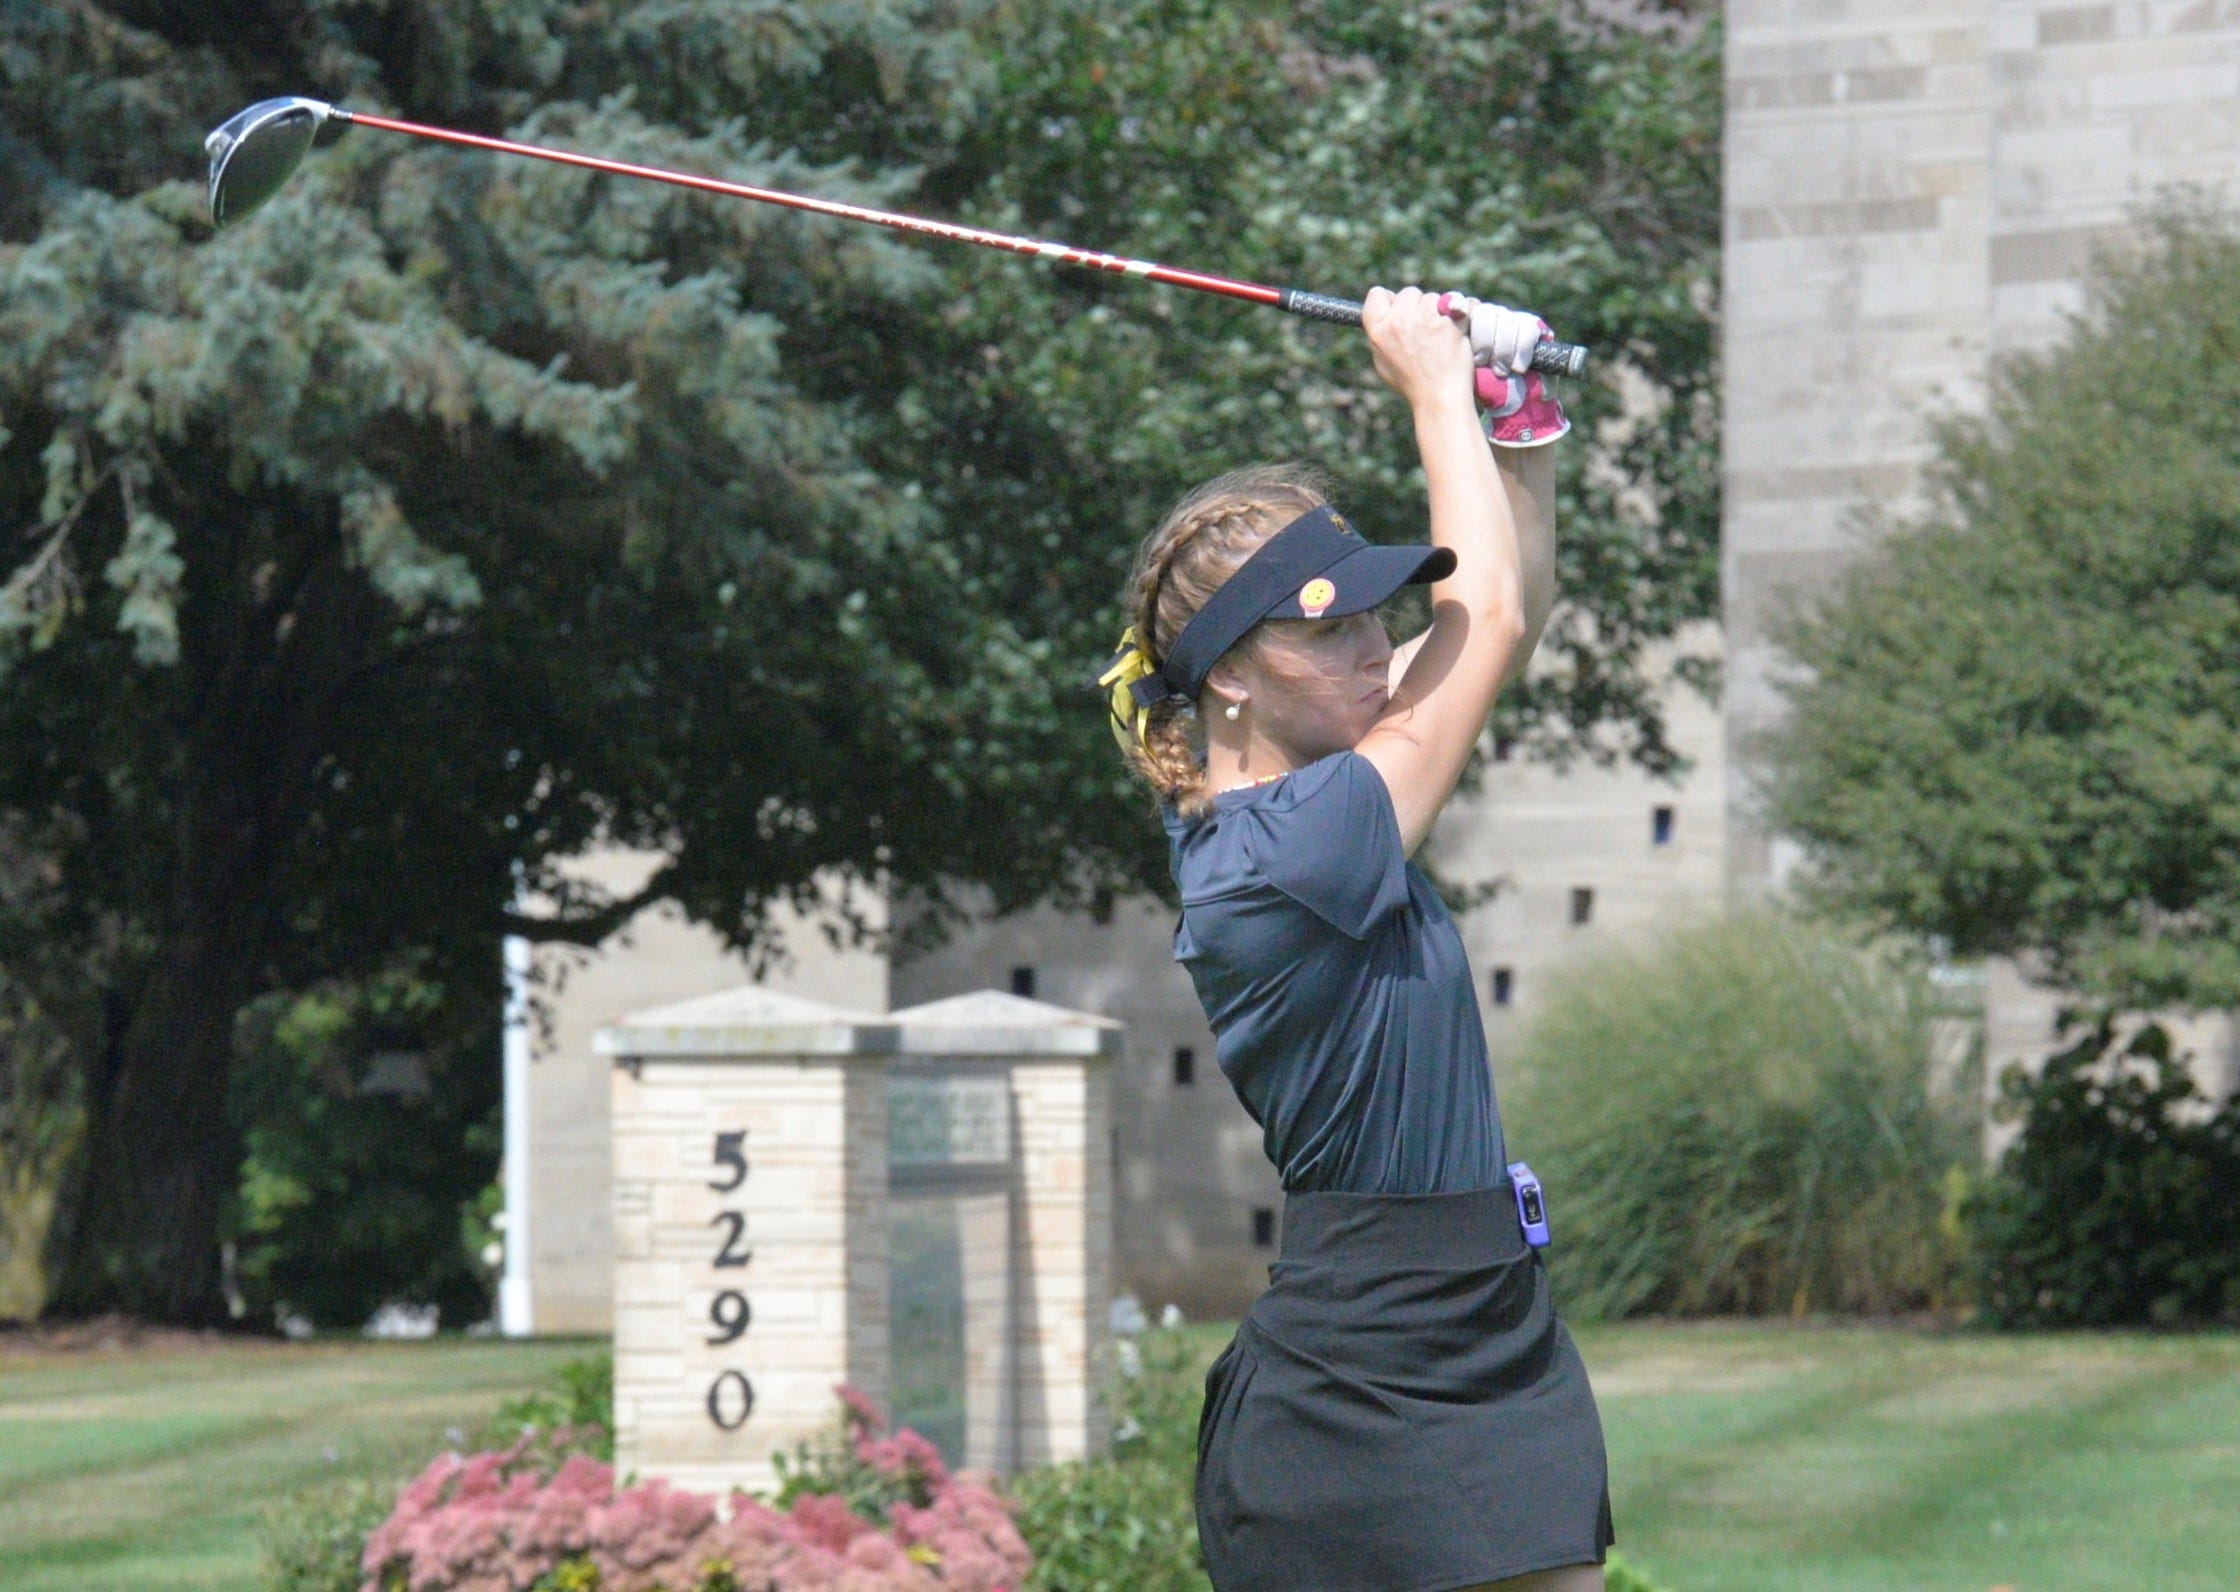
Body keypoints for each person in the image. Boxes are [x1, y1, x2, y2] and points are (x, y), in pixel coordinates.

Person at [1097, 286, 1611, 1592]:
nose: (1379, 651)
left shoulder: (1325, 811)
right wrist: (1435, 383)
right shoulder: (1282, 854)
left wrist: (1519, 429)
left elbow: (1503, 612)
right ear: (1230, 677)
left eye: (1379, 614)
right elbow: (1483, 624)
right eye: (1330, 630)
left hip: (1493, 1322)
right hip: (1357, 1380)